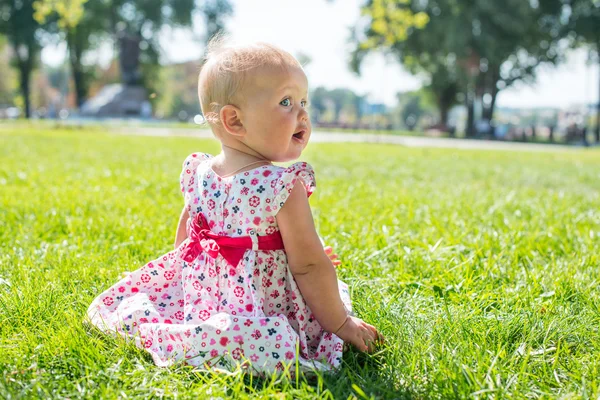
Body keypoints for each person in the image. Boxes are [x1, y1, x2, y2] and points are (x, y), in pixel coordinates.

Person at [87, 38, 382, 374]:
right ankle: (255, 339)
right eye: (286, 101)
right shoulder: (283, 186)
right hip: (260, 308)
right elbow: (310, 268)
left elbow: (188, 241)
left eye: (304, 101)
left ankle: (199, 327)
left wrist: (191, 289)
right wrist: (342, 324)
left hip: (207, 299)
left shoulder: (200, 173)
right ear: (235, 121)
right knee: (273, 333)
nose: (302, 113)